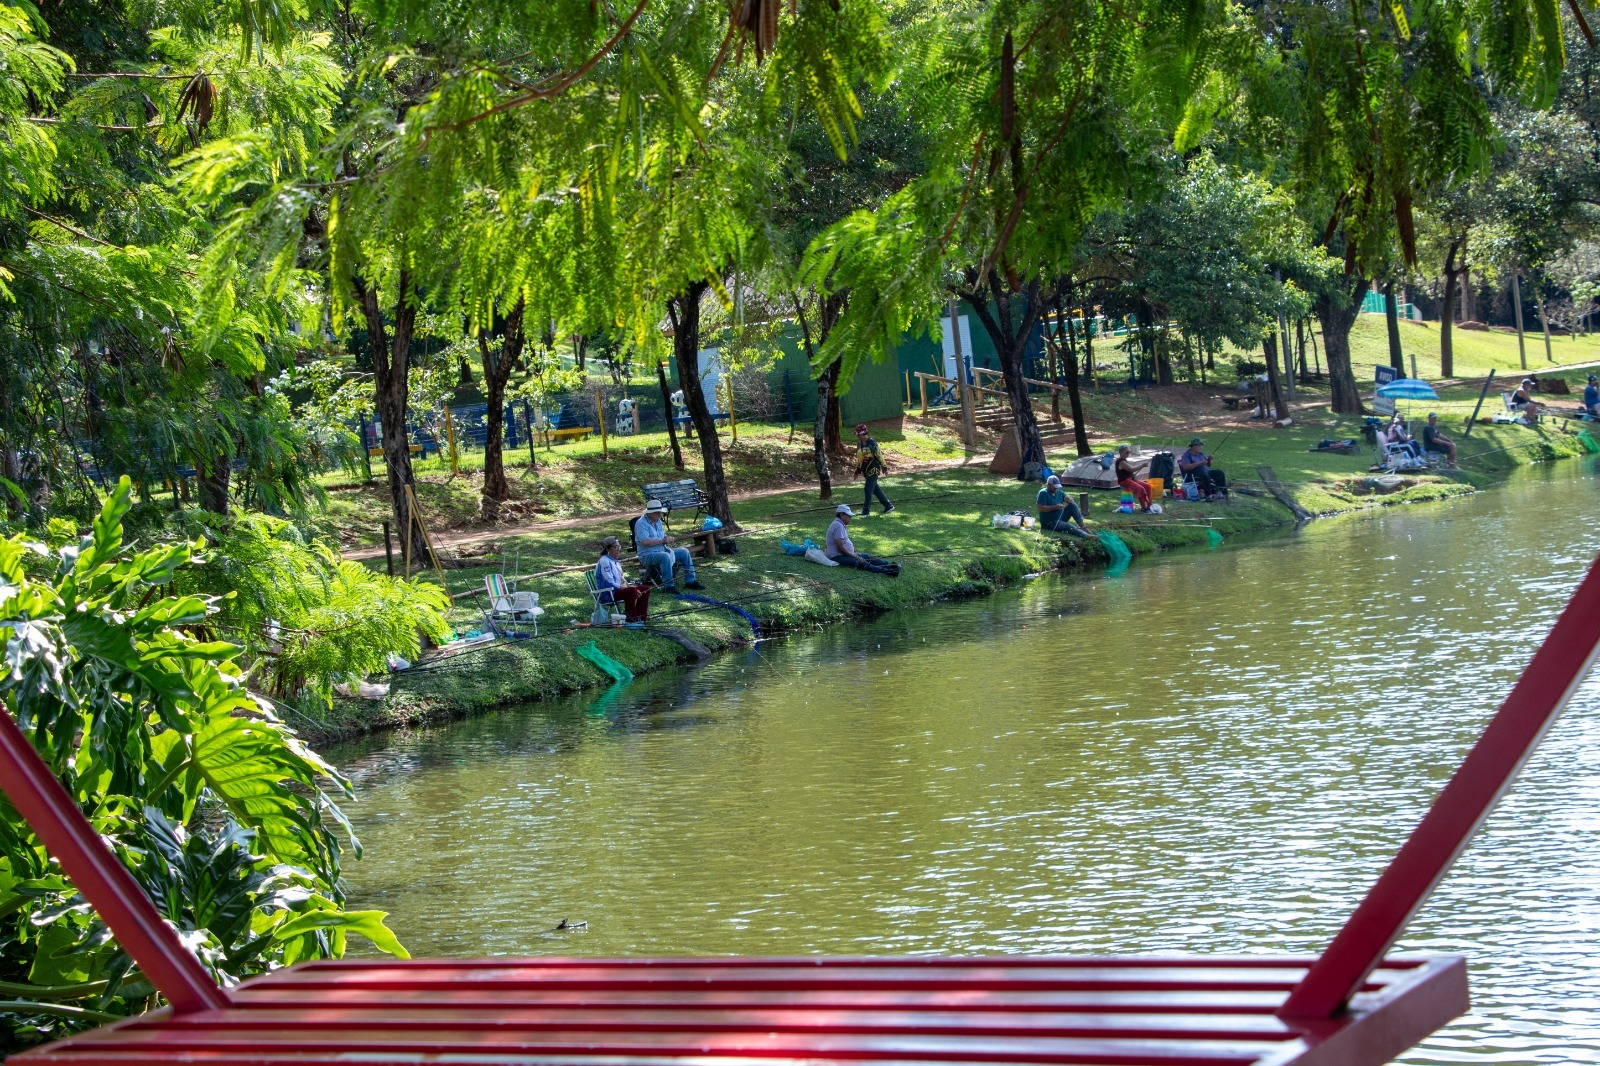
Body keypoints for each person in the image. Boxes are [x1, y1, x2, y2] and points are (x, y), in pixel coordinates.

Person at [635, 499, 705, 590]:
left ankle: (690, 581)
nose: (660, 515)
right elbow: (645, 542)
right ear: (650, 513)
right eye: (657, 513)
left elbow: (662, 536)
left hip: (662, 550)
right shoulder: (641, 523)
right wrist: (662, 541)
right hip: (647, 554)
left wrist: (667, 538)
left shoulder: (658, 521)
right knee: (665, 556)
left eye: (660, 512)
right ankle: (669, 586)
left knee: (684, 551)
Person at [824, 504, 899, 574]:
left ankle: (890, 565)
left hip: (843, 554)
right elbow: (840, 547)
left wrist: (853, 551)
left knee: (868, 556)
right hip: (837, 556)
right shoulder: (838, 525)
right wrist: (855, 557)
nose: (850, 518)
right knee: (861, 562)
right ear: (842, 515)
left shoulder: (839, 524)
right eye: (849, 516)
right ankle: (887, 571)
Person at [594, 536, 652, 623]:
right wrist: (629, 589)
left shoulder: (615, 561)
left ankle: (641, 618)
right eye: (616, 547)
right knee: (631, 591)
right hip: (609, 593)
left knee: (645, 589)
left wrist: (630, 586)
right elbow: (609, 582)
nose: (618, 549)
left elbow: (622, 579)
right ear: (608, 549)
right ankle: (631, 620)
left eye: (619, 546)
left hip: (618, 590)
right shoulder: (604, 561)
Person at [853, 423, 894, 515]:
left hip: (873, 469)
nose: (857, 436)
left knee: (868, 489)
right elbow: (859, 458)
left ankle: (865, 511)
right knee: (875, 489)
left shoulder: (872, 443)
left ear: (863, 434)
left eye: (858, 434)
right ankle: (888, 506)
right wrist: (857, 470)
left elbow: (879, 455)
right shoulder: (859, 444)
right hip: (865, 470)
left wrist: (884, 467)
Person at [1113, 445, 1152, 512]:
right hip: (1124, 481)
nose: (1129, 454)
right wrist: (1142, 465)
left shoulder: (1124, 460)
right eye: (1127, 452)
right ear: (1121, 452)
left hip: (1130, 479)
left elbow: (1130, 470)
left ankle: (1150, 506)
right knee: (1140, 488)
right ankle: (1143, 508)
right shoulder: (1121, 461)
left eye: (1129, 452)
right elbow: (1131, 469)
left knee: (1148, 486)